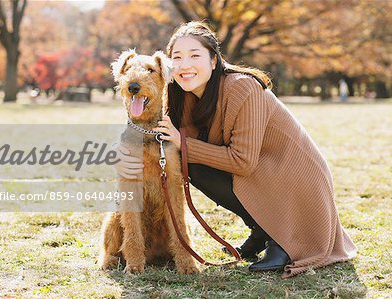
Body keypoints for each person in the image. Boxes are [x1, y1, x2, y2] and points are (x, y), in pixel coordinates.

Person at [118, 21, 357, 278]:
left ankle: (280, 241)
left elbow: (242, 161)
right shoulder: (183, 94)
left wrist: (181, 142)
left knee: (188, 155)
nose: (184, 65)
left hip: (294, 180)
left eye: (194, 55)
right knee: (190, 162)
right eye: (177, 57)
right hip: (261, 172)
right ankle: (261, 228)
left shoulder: (243, 87)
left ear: (213, 60)